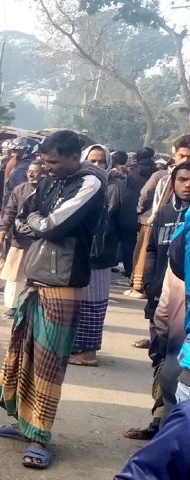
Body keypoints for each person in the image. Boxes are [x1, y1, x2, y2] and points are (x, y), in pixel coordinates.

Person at [0, 129, 104, 470]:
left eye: (53, 161)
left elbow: (52, 225)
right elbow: (25, 219)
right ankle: (24, 424)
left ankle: (40, 436)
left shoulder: (89, 183)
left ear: (73, 156)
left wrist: (35, 222)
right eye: (44, 161)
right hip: (37, 280)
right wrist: (35, 222)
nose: (47, 167)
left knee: (48, 366)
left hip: (63, 285)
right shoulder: (53, 180)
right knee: (24, 357)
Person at [124, 162, 190, 440]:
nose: (187, 184)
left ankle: (167, 432)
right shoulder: (163, 214)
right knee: (160, 361)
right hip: (162, 298)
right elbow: (151, 251)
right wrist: (149, 284)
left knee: (177, 370)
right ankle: (158, 421)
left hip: (182, 308)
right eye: (182, 179)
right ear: (172, 182)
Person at [70, 145, 136, 366]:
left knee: (93, 305)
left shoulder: (117, 190)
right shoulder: (77, 185)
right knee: (75, 304)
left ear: (108, 163)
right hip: (77, 255)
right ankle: (74, 348)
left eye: (100, 162)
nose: (95, 166)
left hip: (100, 257)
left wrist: (132, 267)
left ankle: (88, 353)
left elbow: (128, 231)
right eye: (91, 160)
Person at [0, 161, 46, 317]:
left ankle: (31, 309)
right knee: (14, 275)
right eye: (29, 171)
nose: (31, 174)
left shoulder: (48, 191)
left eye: (35, 171)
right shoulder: (19, 189)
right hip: (20, 238)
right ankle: (12, 306)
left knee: (36, 277)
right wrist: (3, 229)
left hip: (40, 240)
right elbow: (9, 211)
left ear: (43, 173)